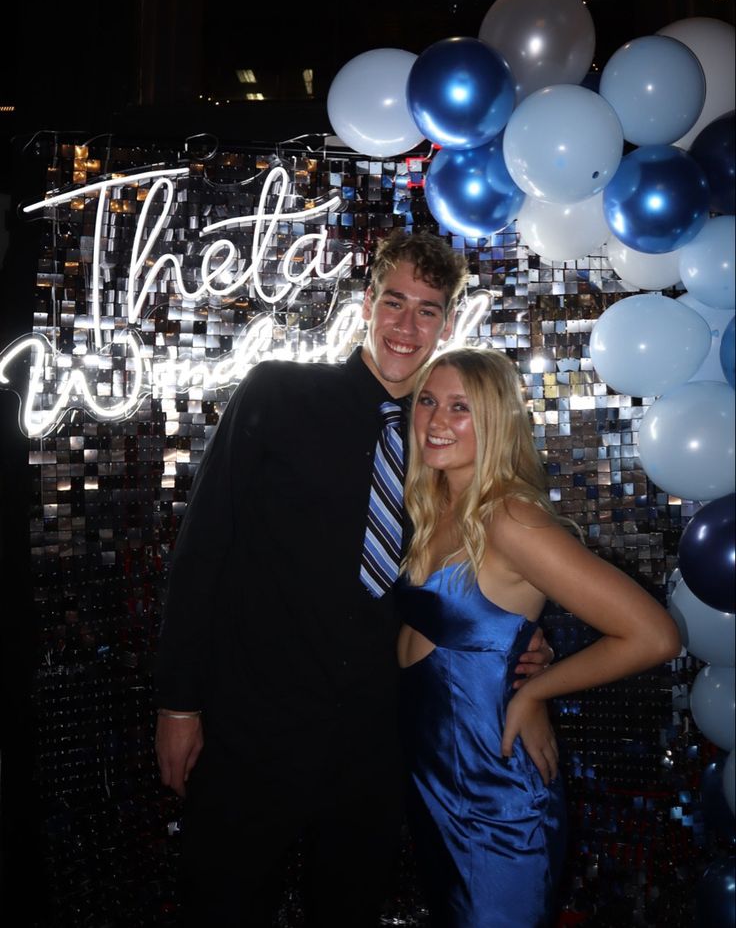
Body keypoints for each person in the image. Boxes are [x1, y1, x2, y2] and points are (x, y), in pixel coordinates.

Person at [154, 229, 553, 927]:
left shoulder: (446, 437)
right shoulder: (276, 394)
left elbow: (491, 560)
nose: (407, 325)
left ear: (449, 323)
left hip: (376, 739)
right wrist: (179, 703)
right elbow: (201, 553)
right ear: (365, 303)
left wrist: (525, 643)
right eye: (393, 302)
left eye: (427, 310)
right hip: (254, 727)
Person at [396, 348, 681, 928]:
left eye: (460, 407)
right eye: (428, 401)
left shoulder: (511, 520)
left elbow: (653, 635)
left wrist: (534, 693)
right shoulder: (436, 506)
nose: (436, 420)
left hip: (493, 792)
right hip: (436, 780)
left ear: (496, 421)